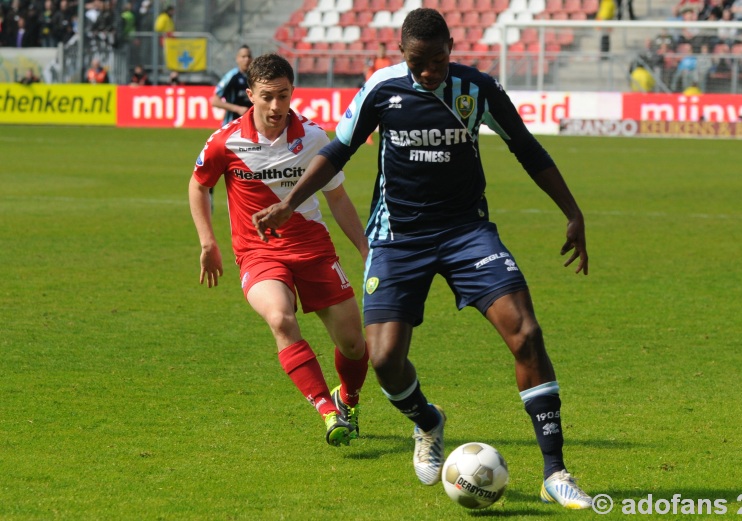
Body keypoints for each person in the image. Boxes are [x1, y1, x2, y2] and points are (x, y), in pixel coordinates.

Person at [253, 8, 592, 510]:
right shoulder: (382, 89)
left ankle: (555, 471)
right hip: (398, 239)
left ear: (452, 46)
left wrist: (572, 211)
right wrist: (289, 201)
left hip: (467, 233)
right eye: (418, 63)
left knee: (527, 333)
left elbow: (527, 147)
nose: (429, 72)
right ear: (402, 55)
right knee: (385, 360)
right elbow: (339, 151)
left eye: (437, 60)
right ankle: (428, 423)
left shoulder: (477, 90)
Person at [188, 53, 370, 447]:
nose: (275, 106)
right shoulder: (226, 140)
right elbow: (199, 184)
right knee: (280, 317)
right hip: (259, 253)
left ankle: (348, 399)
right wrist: (209, 242)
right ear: (250, 94)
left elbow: (338, 198)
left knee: (355, 345)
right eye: (267, 96)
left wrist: (365, 249)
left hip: (314, 250)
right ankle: (326, 410)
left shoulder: (314, 138)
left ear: (292, 93)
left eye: (283, 96)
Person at [209, 44, 254, 211]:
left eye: (248, 56)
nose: (246, 59)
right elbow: (214, 100)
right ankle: (208, 196)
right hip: (230, 131)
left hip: (251, 131)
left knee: (249, 168)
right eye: (243, 56)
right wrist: (237, 109)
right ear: (237, 59)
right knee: (217, 166)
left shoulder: (255, 78)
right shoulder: (232, 77)